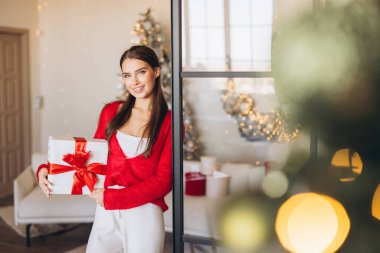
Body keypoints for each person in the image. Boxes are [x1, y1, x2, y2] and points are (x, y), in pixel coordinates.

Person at [37, 45, 172, 253]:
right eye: (127, 75)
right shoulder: (111, 112)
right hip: (106, 211)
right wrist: (49, 168)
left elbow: (163, 182)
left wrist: (112, 198)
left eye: (141, 72)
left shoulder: (169, 122)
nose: (134, 82)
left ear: (156, 71)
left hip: (144, 213)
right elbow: (91, 157)